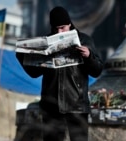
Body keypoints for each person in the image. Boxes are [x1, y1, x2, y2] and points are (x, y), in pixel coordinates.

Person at [16, 6, 103, 141]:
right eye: (55, 28)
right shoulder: (45, 44)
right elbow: (34, 73)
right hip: (51, 106)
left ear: (69, 24)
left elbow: (97, 71)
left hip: (77, 105)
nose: (59, 31)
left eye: (62, 27)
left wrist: (89, 56)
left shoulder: (84, 40)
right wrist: (22, 57)